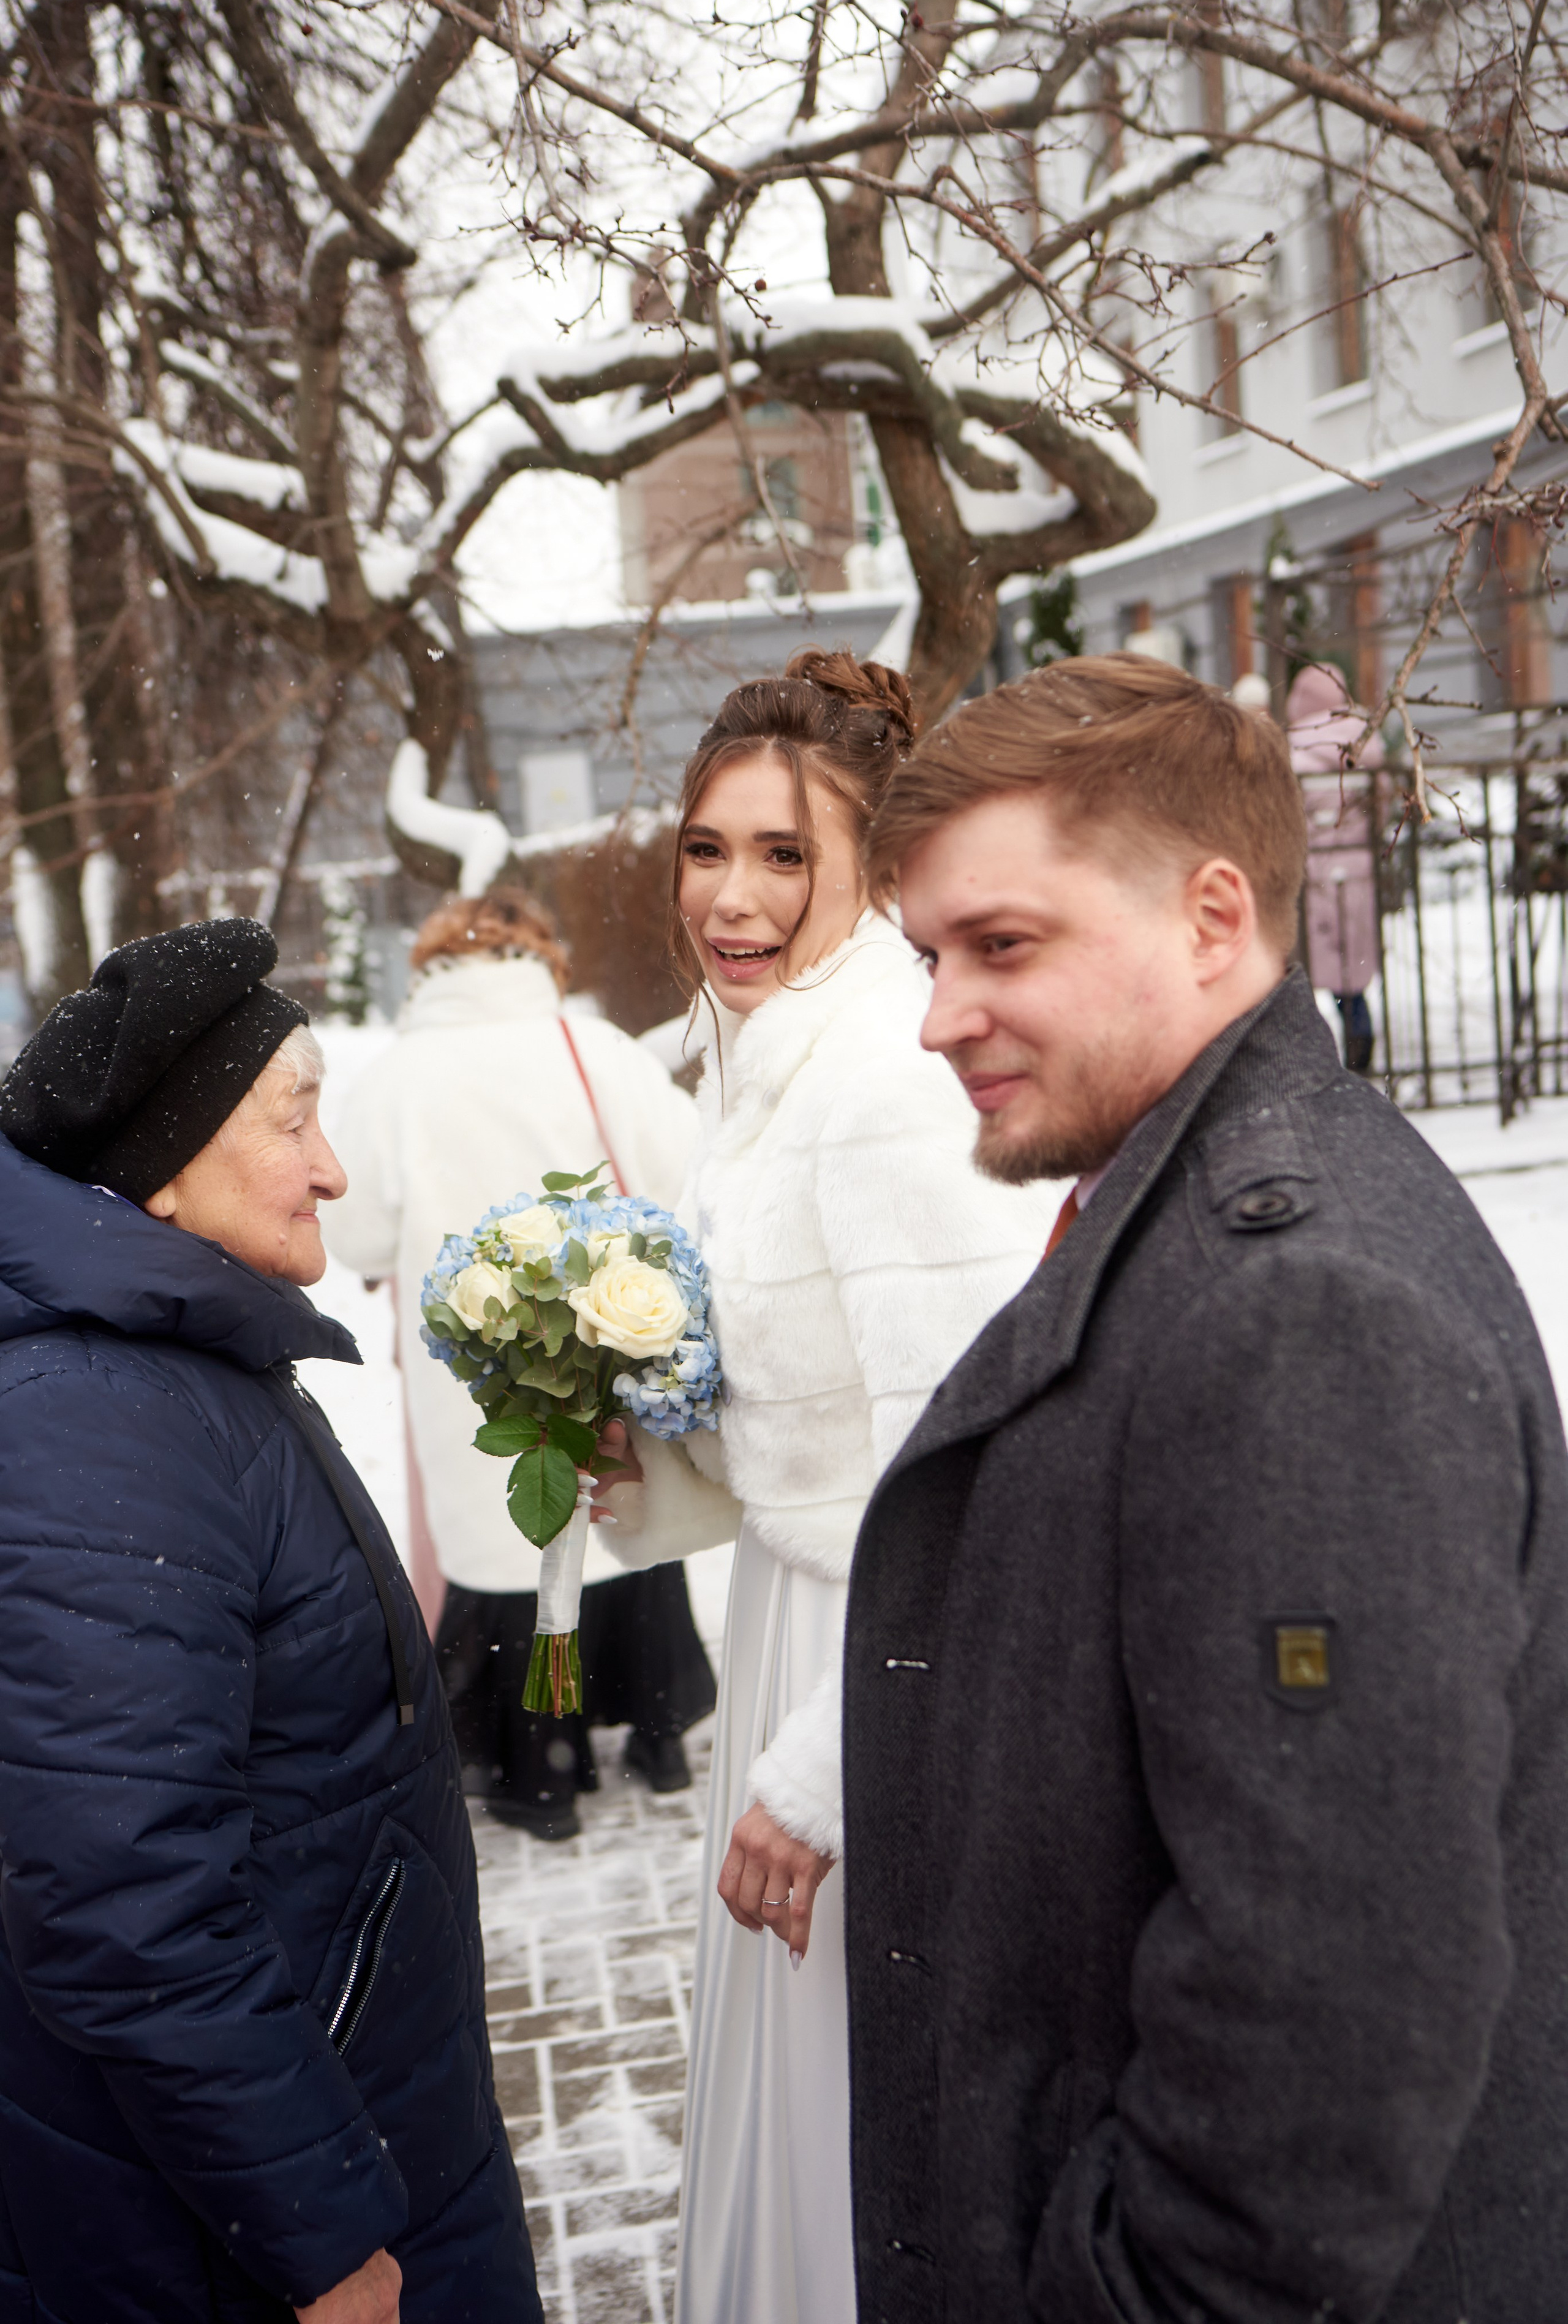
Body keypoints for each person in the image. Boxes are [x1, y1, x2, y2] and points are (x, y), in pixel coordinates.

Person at [842, 654, 1568, 2323]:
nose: (942, 1012)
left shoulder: (1298, 1313)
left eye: (1001, 944)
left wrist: (1126, 2291)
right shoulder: (1204, 1214)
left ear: (1214, 916)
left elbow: (1336, 2000)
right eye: (931, 955)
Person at [595, 650, 1054, 2324]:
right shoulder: (768, 1060)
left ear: (877, 863)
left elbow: (970, 1454)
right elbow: (819, 1419)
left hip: (882, 1663)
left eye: (786, 854)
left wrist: (827, 1763)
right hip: (805, 1621)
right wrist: (649, 1444)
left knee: (869, 2129)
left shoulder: (876, 1081)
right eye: (709, 848)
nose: (732, 896)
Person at [0, 919, 540, 2324]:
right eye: (296, 1118)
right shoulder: (96, 1421)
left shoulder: (166, 1358)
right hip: (256, 2208)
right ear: (165, 1172)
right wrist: (314, 2223)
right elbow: (127, 1897)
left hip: (354, 2092)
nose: (334, 1167)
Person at [321, 885, 715, 1841]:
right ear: (539, 956)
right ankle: (657, 1729)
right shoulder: (592, 1049)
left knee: (508, 1536)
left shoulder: (397, 1078)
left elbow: (357, 1226)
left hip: (474, 1360)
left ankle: (540, 1768)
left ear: (430, 968)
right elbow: (676, 1167)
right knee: (620, 1509)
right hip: (601, 1336)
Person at [1287, 660, 1383, 1072]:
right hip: (1359, 868)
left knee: (1311, 969)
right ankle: (1360, 1045)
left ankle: (1324, 1065)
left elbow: (1290, 816)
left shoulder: (1297, 751)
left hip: (1316, 873)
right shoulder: (1367, 745)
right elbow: (1383, 805)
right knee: (1351, 977)